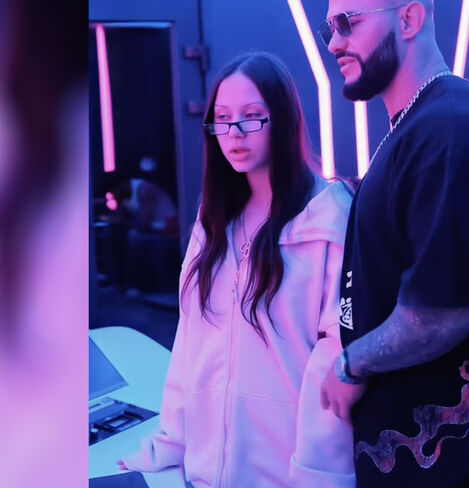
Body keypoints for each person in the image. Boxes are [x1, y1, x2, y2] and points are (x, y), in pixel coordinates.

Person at [118, 52, 355, 487]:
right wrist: (172, 442)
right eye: (223, 119)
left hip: (289, 473)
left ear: (282, 118)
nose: (235, 133)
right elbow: (190, 342)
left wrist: (317, 476)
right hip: (205, 474)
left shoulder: (328, 219)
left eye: (251, 116)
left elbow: (334, 360)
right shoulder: (213, 222)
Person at [319, 0, 469, 487]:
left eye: (348, 23)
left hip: (456, 462)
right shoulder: (422, 125)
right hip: (417, 451)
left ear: (409, 20)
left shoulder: (453, 128)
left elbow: (447, 308)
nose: (334, 43)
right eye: (329, 28)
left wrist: (351, 364)